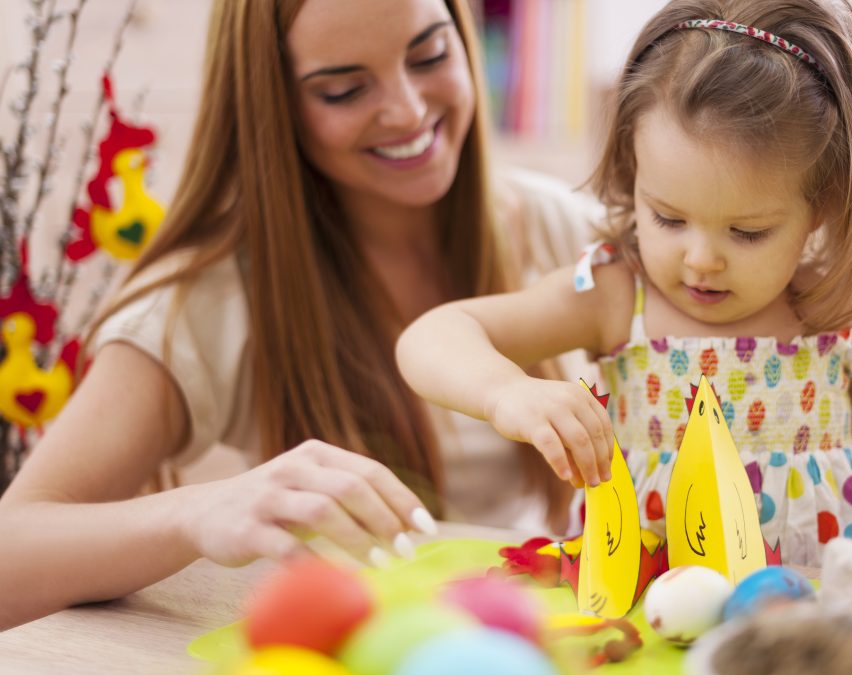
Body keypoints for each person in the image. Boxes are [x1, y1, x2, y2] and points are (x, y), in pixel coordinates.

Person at [0, 0, 598, 629]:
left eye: (429, 55)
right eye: (343, 90)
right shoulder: (210, 300)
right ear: (273, 104)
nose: (409, 110)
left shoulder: (562, 229)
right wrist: (199, 512)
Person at [397, 0, 852, 565]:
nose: (701, 259)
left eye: (747, 232)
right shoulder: (619, 293)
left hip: (814, 607)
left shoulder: (836, 311)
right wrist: (506, 391)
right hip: (648, 595)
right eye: (669, 217)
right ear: (632, 170)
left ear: (819, 205)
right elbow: (434, 336)